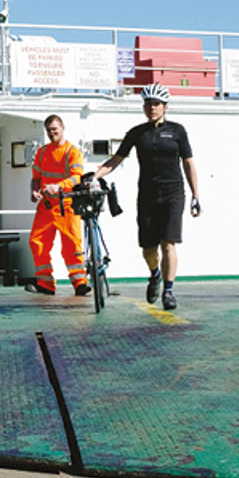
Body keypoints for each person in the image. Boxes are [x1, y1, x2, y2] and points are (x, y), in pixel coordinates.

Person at [95, 84, 201, 311]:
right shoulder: (137, 133)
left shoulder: (177, 131)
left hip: (173, 192)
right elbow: (116, 159)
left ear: (165, 107)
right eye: (148, 104)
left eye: (156, 104)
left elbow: (188, 162)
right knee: (148, 248)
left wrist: (196, 196)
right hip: (147, 195)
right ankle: (155, 275)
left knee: (169, 244)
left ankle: (169, 291)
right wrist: (95, 175)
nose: (151, 108)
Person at [24, 114, 89, 296]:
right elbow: (36, 178)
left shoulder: (72, 152)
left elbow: (77, 177)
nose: (52, 133)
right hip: (46, 206)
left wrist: (59, 186)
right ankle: (45, 283)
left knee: (72, 245)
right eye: (49, 131)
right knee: (37, 243)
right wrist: (34, 191)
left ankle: (80, 282)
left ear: (62, 128)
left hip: (67, 205)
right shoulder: (42, 152)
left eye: (55, 129)